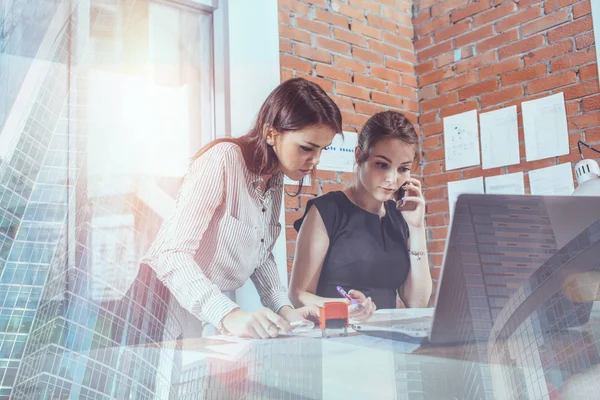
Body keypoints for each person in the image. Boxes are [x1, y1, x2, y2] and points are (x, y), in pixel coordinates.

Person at [141, 78, 342, 338]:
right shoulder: (223, 159)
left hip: (202, 306)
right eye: (307, 148)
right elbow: (170, 253)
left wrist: (285, 310)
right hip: (159, 304)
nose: (315, 161)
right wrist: (229, 314)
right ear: (272, 134)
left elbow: (260, 253)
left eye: (322, 150)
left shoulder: (275, 177)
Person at [289, 111, 432, 322]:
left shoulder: (401, 218)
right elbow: (298, 295)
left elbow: (417, 303)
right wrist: (345, 307)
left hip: (388, 343)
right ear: (359, 155)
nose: (392, 179)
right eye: (382, 164)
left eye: (403, 169)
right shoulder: (327, 211)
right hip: (336, 340)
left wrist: (417, 228)